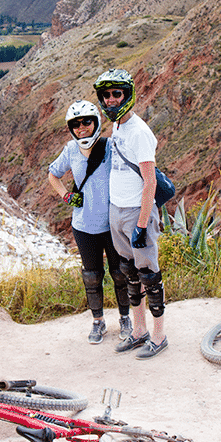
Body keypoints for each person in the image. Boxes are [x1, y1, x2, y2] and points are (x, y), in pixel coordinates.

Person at [94, 68, 168, 359]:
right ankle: (139, 332)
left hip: (137, 211)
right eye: (107, 95)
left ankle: (159, 335)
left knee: (149, 275)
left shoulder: (139, 131)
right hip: (117, 209)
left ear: (127, 95)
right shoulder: (118, 128)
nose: (112, 100)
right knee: (129, 274)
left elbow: (149, 181)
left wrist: (141, 224)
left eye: (117, 94)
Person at [47, 100, 132, 344]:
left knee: (120, 273)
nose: (82, 127)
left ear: (96, 122)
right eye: (76, 124)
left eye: (86, 122)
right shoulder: (70, 150)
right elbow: (53, 175)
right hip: (84, 225)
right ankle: (98, 321)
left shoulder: (110, 146)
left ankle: (125, 318)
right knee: (92, 275)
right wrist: (66, 195)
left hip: (113, 224)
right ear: (70, 128)